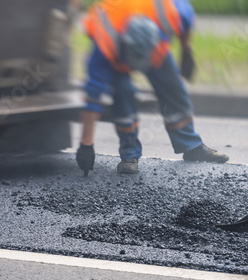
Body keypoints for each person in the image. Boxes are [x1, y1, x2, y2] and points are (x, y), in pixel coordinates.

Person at [76, 0, 229, 176]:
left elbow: (185, 22)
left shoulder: (170, 11)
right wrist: (86, 144)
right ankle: (129, 155)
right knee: (123, 95)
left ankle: (191, 146)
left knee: (173, 88)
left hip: (152, 45)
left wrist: (186, 51)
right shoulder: (105, 45)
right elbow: (93, 96)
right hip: (117, 54)